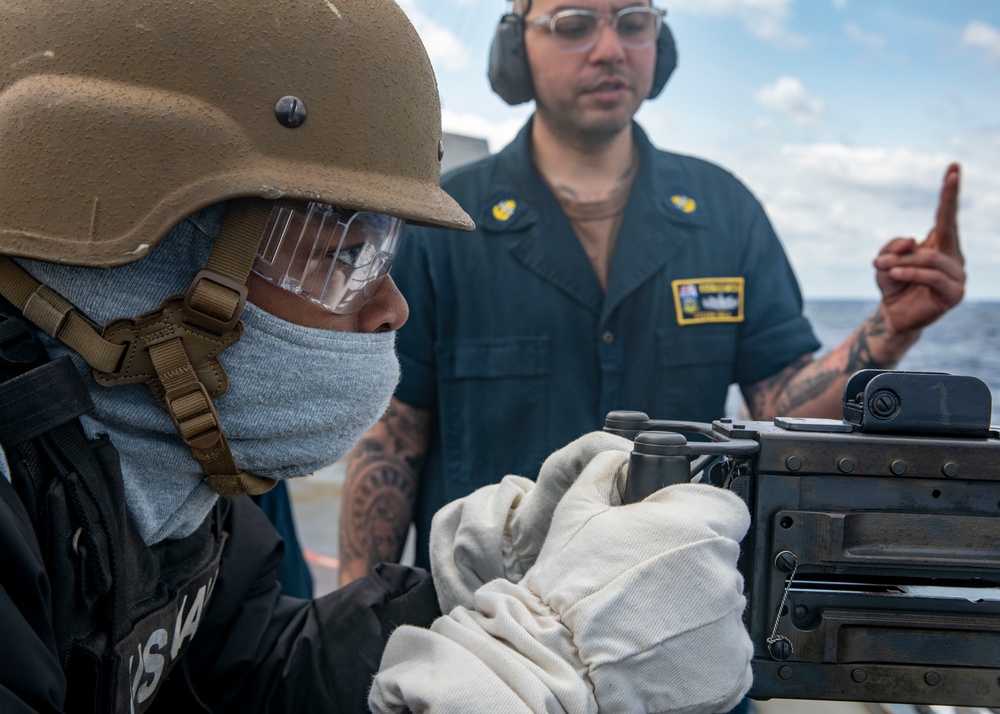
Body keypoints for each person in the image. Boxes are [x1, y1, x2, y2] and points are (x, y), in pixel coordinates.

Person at [0, 0, 756, 712]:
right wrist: (520, 682)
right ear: (131, 263)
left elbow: (248, 669)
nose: (389, 306)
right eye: (337, 253)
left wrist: (469, 600)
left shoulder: (159, 477)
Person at [338, 0, 966, 584]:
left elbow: (779, 399)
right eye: (575, 23)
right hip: (488, 639)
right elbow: (392, 441)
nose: (610, 48)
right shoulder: (444, 221)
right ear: (513, 48)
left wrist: (892, 326)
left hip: (677, 620)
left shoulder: (726, 212)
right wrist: (358, 622)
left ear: (658, 45)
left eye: (634, 21)